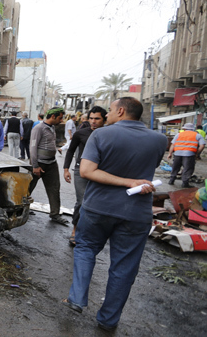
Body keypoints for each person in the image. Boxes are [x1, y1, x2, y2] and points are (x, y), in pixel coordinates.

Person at [65, 98, 167, 331]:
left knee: (85, 247)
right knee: (124, 267)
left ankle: (77, 298)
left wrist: (126, 181)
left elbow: (87, 171)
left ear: (120, 111)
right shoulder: (159, 140)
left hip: (98, 208)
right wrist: (133, 181)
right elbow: (147, 167)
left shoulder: (101, 135)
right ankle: (108, 320)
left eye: (110, 110)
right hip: (136, 213)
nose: (107, 114)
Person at [63, 106, 107, 246]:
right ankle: (75, 230)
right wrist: (65, 169)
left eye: (97, 119)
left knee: (97, 202)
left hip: (101, 173)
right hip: (81, 172)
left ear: (104, 119)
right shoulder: (80, 133)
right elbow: (70, 151)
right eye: (91, 118)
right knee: (82, 202)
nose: (93, 121)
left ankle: (91, 232)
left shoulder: (108, 134)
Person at [29, 107, 68, 225]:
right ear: (53, 116)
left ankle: (55, 214)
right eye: (60, 118)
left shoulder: (52, 127)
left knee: (54, 188)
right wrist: (35, 165)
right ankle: (21, 208)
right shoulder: (38, 128)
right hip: (39, 164)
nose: (61, 120)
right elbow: (32, 147)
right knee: (28, 188)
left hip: (51, 164)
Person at [167, 122, 205, 188]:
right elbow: (202, 145)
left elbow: (173, 144)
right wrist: (197, 153)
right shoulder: (197, 135)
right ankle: (185, 183)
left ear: (184, 128)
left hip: (177, 153)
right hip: (189, 154)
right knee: (187, 168)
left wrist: (170, 153)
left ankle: (171, 180)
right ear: (193, 129)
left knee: (175, 167)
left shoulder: (178, 134)